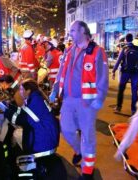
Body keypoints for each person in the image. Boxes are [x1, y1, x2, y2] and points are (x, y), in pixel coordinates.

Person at [49, 20, 108, 179]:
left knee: (88, 136)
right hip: (68, 100)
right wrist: (55, 90)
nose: (71, 33)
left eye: (73, 30)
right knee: (66, 129)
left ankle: (87, 171)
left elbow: (102, 77)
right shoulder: (69, 50)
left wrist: (99, 98)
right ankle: (79, 150)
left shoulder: (97, 51)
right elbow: (61, 72)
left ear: (83, 31)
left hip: (86, 102)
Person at [5, 79, 59, 178]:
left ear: (28, 91)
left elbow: (21, 120)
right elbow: (24, 112)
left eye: (21, 90)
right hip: (48, 138)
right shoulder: (36, 99)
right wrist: (10, 107)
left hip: (43, 145)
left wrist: (5, 112)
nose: (20, 92)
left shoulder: (34, 102)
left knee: (17, 133)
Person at [112, 33, 138, 114]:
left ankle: (118, 107)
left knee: (121, 89)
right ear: (132, 39)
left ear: (126, 40)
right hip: (135, 72)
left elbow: (118, 60)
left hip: (125, 72)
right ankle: (133, 110)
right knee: (134, 91)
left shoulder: (124, 48)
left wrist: (113, 70)